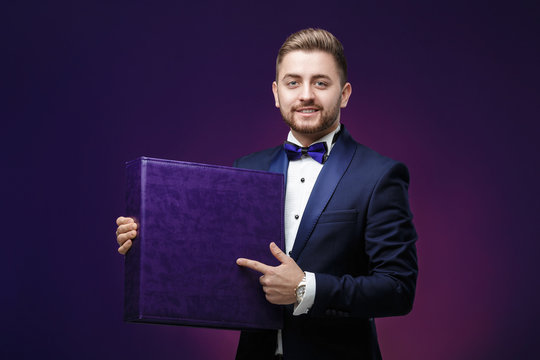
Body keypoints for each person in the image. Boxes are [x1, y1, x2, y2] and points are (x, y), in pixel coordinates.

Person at [116, 28, 417, 360]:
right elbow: (217, 260)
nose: (306, 95)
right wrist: (150, 239)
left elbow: (398, 289)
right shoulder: (247, 168)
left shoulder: (380, 175)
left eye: (320, 82)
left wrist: (306, 288)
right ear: (276, 93)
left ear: (344, 94)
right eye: (293, 82)